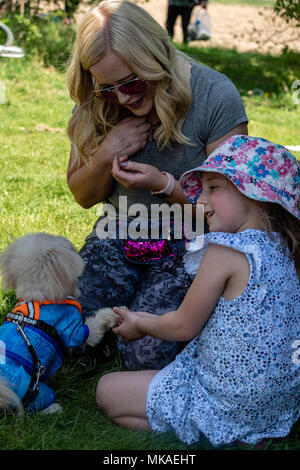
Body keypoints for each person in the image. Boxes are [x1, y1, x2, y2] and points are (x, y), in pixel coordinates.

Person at [66, 0, 248, 370]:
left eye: (132, 82)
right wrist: (106, 153)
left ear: (156, 58)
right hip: (120, 233)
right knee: (61, 330)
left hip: (191, 244)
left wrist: (166, 185)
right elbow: (83, 196)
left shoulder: (214, 94)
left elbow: (236, 211)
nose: (123, 98)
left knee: (145, 356)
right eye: (108, 88)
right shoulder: (98, 100)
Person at [96, 135, 300, 447]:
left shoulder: (227, 251)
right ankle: (243, 433)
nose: (201, 201)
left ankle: (214, 430)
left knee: (107, 391)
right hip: (277, 406)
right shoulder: (288, 250)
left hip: (228, 400)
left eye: (214, 188)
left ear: (255, 193)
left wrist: (140, 323)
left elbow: (183, 325)